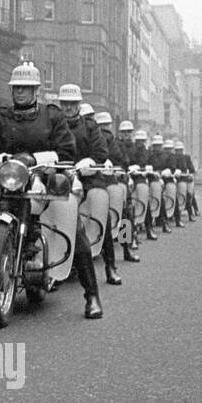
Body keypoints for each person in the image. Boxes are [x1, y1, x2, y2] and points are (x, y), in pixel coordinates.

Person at [0, 64, 103, 318]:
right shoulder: (1, 117)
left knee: (74, 226)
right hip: (10, 179)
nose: (20, 93)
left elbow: (67, 151)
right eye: (16, 88)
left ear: (36, 90)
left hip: (44, 177)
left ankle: (92, 295)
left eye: (25, 88)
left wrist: (35, 159)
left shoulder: (51, 116)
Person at [57, 83, 115, 300]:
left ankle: (110, 266)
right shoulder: (53, 124)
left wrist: (89, 162)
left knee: (104, 212)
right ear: (60, 104)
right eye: (65, 104)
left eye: (73, 104)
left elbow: (102, 151)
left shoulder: (90, 127)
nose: (69, 108)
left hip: (88, 178)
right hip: (59, 178)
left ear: (79, 105)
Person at [95, 111, 131, 278]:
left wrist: (115, 167)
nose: (103, 129)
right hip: (90, 178)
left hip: (109, 178)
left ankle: (126, 248)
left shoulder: (112, 141)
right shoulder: (89, 135)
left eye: (105, 126)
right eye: (101, 126)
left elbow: (122, 161)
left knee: (123, 211)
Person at [114, 120, 143, 262]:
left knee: (127, 211)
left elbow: (140, 161)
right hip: (113, 175)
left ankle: (128, 244)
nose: (126, 135)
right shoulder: (115, 144)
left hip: (129, 176)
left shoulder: (136, 147)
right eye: (123, 132)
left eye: (128, 132)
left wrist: (135, 168)